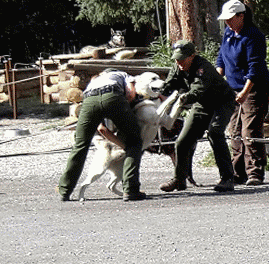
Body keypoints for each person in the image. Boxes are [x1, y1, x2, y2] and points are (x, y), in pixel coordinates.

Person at [158, 40, 237, 193]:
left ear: (192, 56)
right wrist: (155, 91)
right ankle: (179, 179)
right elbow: (168, 85)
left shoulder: (203, 68)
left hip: (222, 102)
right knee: (182, 141)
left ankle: (227, 178)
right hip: (202, 104)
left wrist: (183, 98)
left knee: (215, 133)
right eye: (177, 59)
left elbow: (197, 91)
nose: (179, 62)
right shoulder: (178, 66)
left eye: (182, 59)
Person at [58, 69, 147, 202]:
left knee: (80, 146)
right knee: (134, 141)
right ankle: (131, 190)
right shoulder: (124, 75)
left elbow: (101, 128)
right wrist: (127, 114)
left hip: (89, 100)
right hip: (112, 96)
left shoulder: (95, 82)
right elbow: (130, 94)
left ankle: (65, 191)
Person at [215, 0, 269, 190]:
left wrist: (245, 92)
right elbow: (221, 58)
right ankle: (237, 173)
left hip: (254, 89)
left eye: (231, 18)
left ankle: (255, 172)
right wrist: (217, 78)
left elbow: (255, 68)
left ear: (242, 16)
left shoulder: (253, 36)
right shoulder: (228, 33)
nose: (227, 22)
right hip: (232, 89)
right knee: (235, 131)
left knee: (250, 131)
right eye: (226, 19)